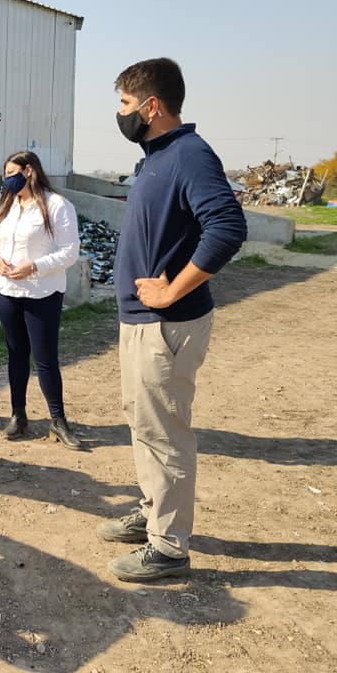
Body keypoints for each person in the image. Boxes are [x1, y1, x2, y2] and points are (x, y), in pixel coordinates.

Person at [98, 58, 247, 582]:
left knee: (165, 433)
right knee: (145, 423)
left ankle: (168, 548)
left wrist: (171, 290)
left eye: (124, 103)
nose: (120, 113)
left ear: (151, 106)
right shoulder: (156, 157)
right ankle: (153, 511)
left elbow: (227, 227)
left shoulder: (189, 155)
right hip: (141, 321)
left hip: (165, 324)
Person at [0, 151, 82, 449]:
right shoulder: (8, 205)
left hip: (42, 292)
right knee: (16, 354)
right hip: (7, 292)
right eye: (5, 175)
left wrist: (35, 266)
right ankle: (18, 414)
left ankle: (58, 420)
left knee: (45, 358)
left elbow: (70, 251)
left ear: (28, 171)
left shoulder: (57, 205)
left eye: (11, 173)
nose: (7, 180)